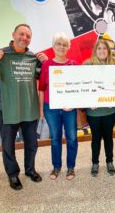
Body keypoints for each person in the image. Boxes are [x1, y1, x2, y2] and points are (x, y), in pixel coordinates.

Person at [0, 24, 47, 190]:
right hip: (6, 108)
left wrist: (44, 63)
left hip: (28, 108)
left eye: (28, 36)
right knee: (8, 145)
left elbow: (43, 78)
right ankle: (13, 174)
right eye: (21, 34)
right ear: (13, 34)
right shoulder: (1, 55)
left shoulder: (32, 57)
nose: (24, 38)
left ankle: (30, 170)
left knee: (32, 143)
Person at [39, 32, 78, 181]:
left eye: (64, 44)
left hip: (70, 109)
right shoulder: (46, 65)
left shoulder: (74, 65)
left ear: (68, 47)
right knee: (55, 138)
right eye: (58, 44)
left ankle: (71, 167)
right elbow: (41, 88)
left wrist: (73, 104)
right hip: (51, 108)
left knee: (72, 138)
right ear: (53, 46)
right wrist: (41, 109)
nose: (61, 47)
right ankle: (56, 167)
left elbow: (79, 88)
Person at [84, 40, 115, 177]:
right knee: (96, 138)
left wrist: (114, 99)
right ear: (95, 50)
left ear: (108, 51)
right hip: (94, 111)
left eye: (105, 48)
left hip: (110, 110)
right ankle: (95, 163)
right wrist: (88, 101)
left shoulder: (114, 66)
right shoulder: (88, 64)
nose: (102, 51)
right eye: (99, 48)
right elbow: (83, 86)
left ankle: (109, 161)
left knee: (108, 137)